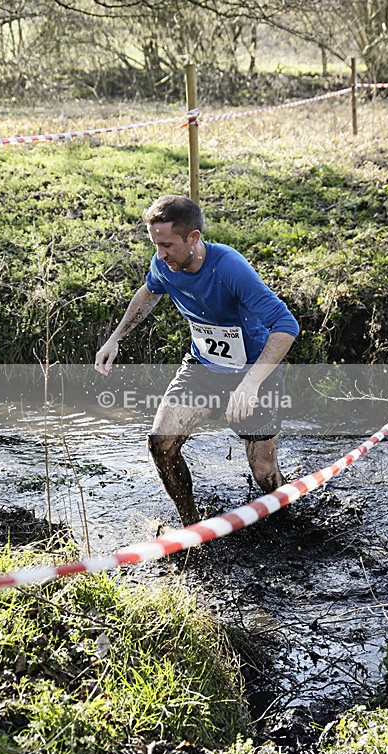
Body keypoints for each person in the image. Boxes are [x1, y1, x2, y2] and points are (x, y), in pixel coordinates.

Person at [95, 194, 299, 526]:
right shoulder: (164, 264)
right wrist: (115, 337)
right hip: (202, 368)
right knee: (161, 444)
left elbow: (286, 326)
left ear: (193, 238)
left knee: (263, 472)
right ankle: (192, 528)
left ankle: (289, 522)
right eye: (156, 245)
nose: (160, 254)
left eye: (167, 245)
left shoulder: (230, 267)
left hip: (253, 373)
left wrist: (250, 384)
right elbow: (149, 292)